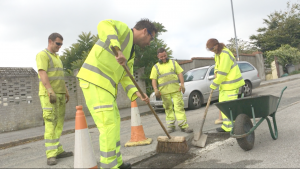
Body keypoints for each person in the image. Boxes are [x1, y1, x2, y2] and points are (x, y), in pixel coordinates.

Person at [76, 19, 156, 169]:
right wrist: (117, 49)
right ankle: (108, 166)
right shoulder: (124, 30)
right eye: (151, 38)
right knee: (108, 125)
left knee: (114, 123)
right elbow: (103, 25)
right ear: (145, 31)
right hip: (95, 81)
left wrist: (138, 93)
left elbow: (127, 77)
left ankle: (116, 162)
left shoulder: (131, 53)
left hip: (105, 87)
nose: (150, 43)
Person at [36, 33, 73, 166]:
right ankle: (51, 155)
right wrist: (50, 90)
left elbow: (59, 77)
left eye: (61, 44)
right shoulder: (42, 55)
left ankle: (57, 150)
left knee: (59, 123)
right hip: (49, 95)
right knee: (51, 122)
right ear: (50, 41)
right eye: (58, 44)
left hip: (60, 94)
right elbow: (42, 73)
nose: (60, 46)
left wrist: (66, 91)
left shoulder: (57, 58)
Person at [150, 48, 193, 133]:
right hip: (164, 92)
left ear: (166, 54)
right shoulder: (156, 67)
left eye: (165, 56)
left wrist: (182, 84)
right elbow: (153, 79)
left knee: (179, 107)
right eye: (161, 57)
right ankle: (170, 126)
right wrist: (155, 89)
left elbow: (180, 73)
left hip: (176, 90)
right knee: (168, 108)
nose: (164, 58)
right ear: (158, 56)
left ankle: (183, 126)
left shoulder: (173, 63)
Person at [206, 38, 245, 132]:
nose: (211, 51)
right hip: (224, 85)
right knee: (223, 106)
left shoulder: (225, 54)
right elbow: (217, 67)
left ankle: (236, 127)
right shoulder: (217, 54)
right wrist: (215, 72)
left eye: (211, 48)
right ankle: (226, 126)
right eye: (209, 50)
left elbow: (223, 72)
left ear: (216, 46)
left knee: (231, 107)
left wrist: (214, 84)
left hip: (231, 84)